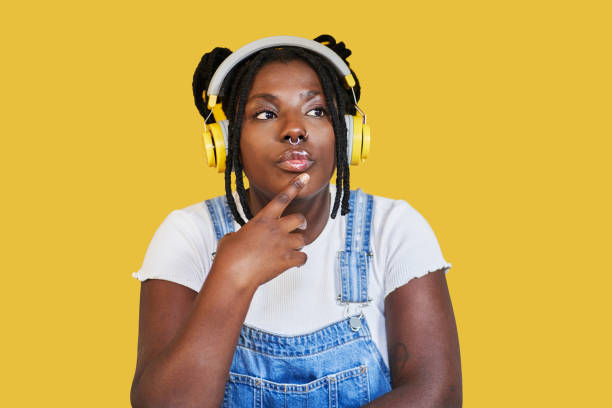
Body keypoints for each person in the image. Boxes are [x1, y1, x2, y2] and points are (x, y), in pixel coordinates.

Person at [130, 35, 462, 408]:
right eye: (266, 114)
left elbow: (437, 397)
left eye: (317, 111)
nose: (294, 129)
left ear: (348, 135)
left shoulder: (395, 228)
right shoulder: (187, 235)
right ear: (226, 142)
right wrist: (231, 277)